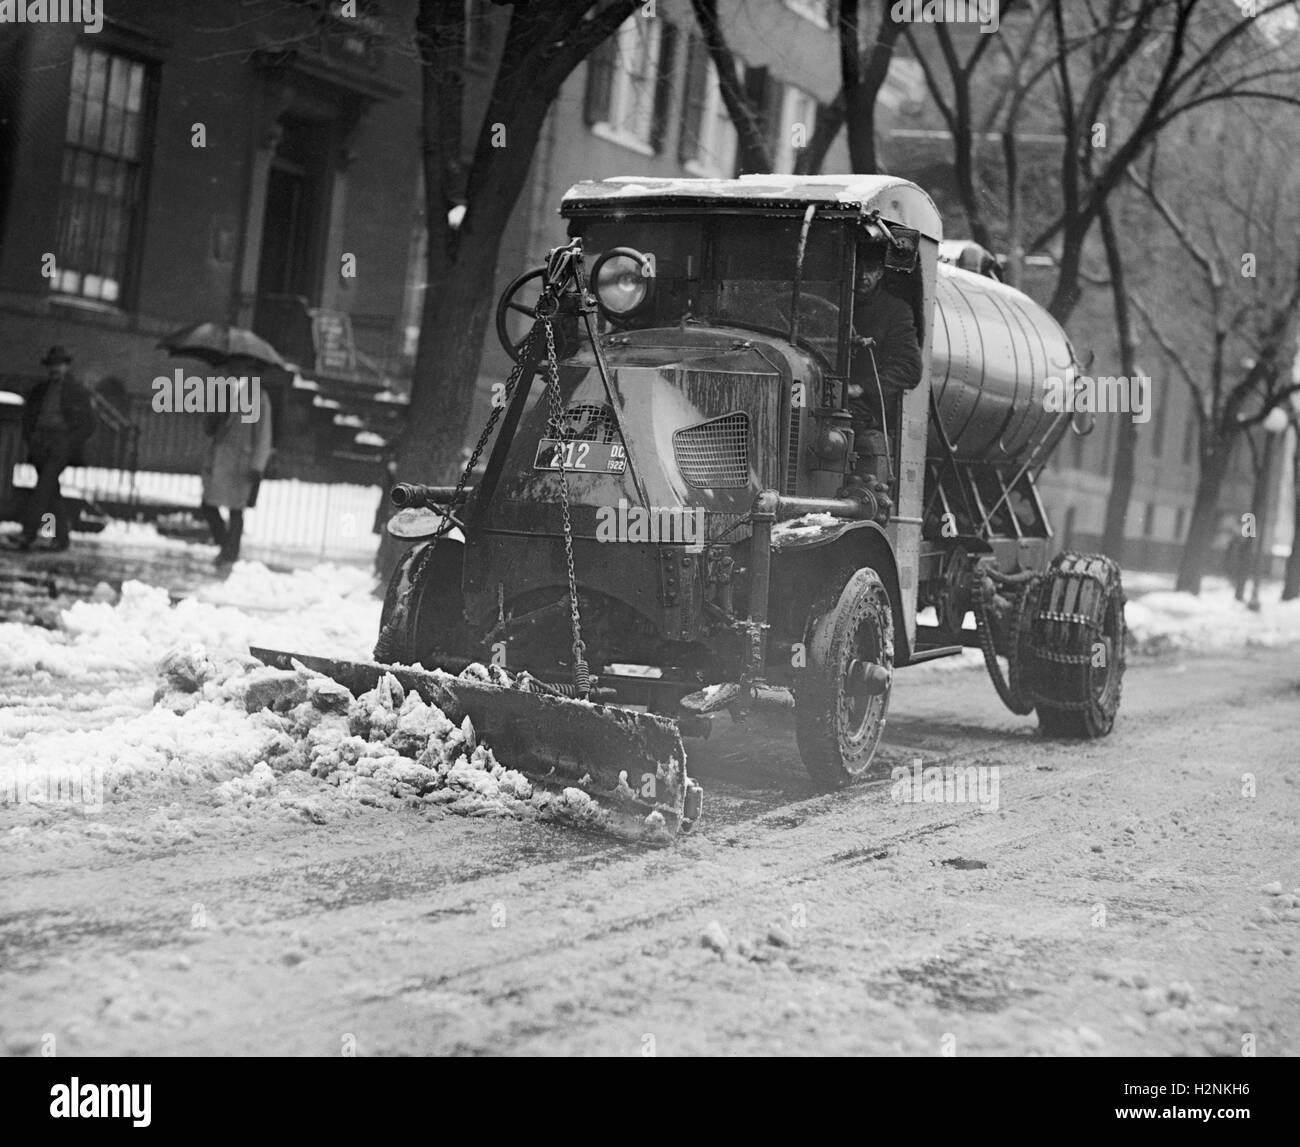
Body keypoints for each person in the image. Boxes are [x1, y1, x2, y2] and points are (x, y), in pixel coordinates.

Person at [842, 246, 923, 502]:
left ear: (880, 273)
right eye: (857, 267)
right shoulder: (829, 301)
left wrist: (861, 388)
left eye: (872, 269)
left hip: (863, 409)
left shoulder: (895, 312)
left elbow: (910, 368)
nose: (862, 276)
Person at [15, 346, 97, 552]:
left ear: (66, 366)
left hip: (61, 444)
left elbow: (89, 423)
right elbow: (28, 419)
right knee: (50, 491)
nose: (55, 369)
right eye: (52, 365)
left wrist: (70, 443)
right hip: (40, 444)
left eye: (59, 365)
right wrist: (31, 439)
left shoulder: (77, 391)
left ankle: (28, 533)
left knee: (43, 488)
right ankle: (62, 538)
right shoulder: (39, 390)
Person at [199, 360, 273, 568]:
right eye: (233, 367)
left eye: (241, 367)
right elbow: (209, 427)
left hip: (241, 463)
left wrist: (258, 465)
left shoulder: (258, 397)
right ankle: (225, 545)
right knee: (207, 505)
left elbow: (263, 435)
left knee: (236, 510)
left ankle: (229, 555)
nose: (236, 370)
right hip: (219, 459)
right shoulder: (222, 391)